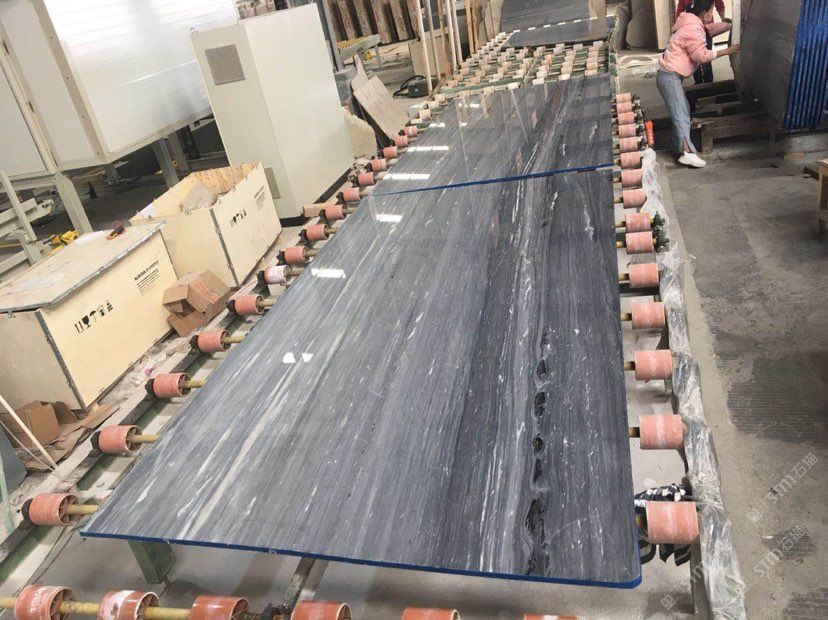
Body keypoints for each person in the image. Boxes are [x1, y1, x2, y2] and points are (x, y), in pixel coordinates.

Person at [656, 0, 740, 168]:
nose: (711, 14)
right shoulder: (693, 28)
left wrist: (731, 25)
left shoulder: (690, 22)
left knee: (683, 110)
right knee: (681, 114)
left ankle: (678, 145)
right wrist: (726, 51)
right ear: (705, 13)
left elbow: (710, 29)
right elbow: (700, 55)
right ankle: (685, 153)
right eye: (711, 11)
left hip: (668, 76)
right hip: (669, 77)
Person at [676, 0, 728, 83]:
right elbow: (680, 10)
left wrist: (723, 19)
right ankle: (698, 82)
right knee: (694, 57)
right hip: (692, 29)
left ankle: (708, 83)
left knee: (706, 57)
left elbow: (719, 4)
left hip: (706, 27)